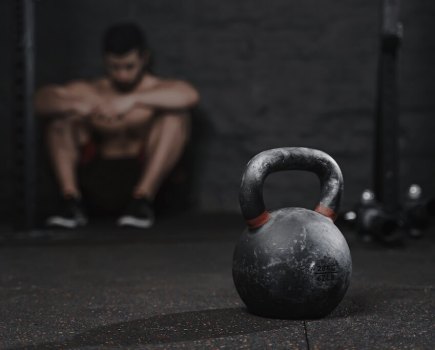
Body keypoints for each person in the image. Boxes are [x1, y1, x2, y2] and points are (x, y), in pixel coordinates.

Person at [34, 23, 199, 229]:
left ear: (144, 58)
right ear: (105, 61)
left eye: (129, 66)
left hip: (143, 178)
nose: (122, 75)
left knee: (175, 117)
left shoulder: (157, 89)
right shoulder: (92, 90)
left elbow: (190, 95)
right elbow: (41, 101)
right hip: (97, 181)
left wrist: (132, 100)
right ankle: (70, 203)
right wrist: (77, 105)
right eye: (114, 67)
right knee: (60, 119)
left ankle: (141, 202)